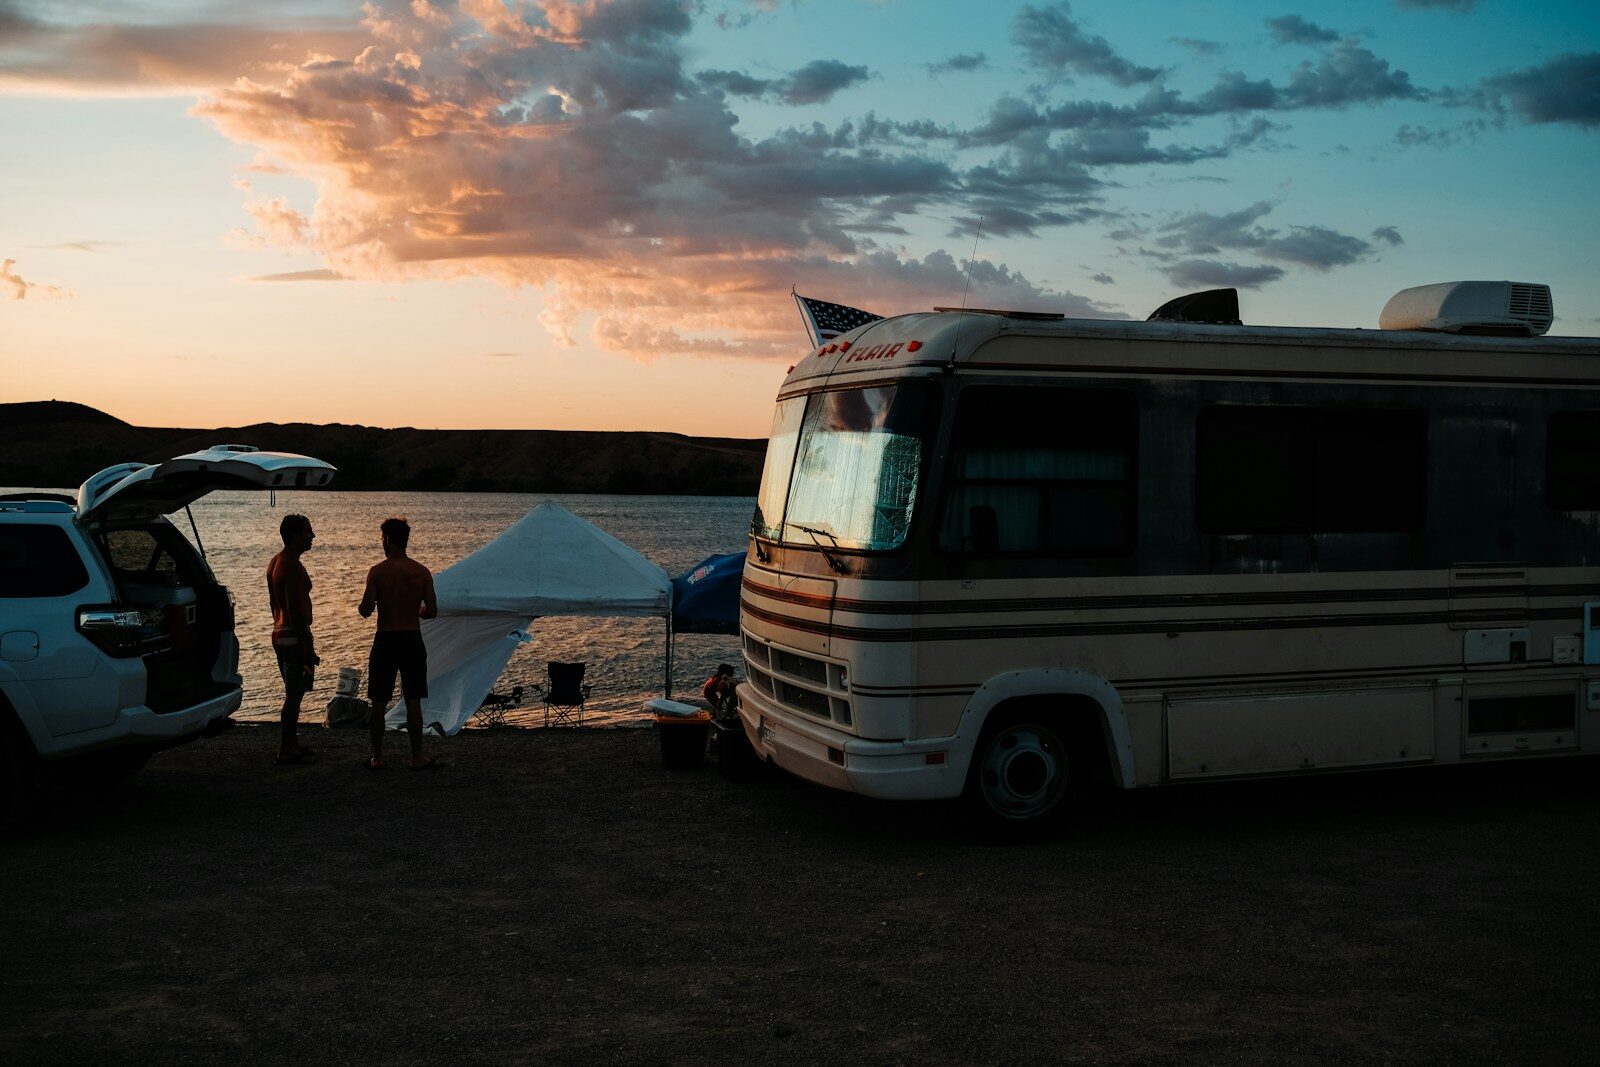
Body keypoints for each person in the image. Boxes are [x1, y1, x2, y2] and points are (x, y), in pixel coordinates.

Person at [359, 517, 441, 770]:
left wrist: (371, 602)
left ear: (389, 540)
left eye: (382, 538)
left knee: (379, 701)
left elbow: (365, 610)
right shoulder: (422, 572)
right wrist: (415, 611)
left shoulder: (378, 572)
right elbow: (432, 611)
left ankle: (378, 756)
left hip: (386, 639)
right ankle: (416, 756)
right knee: (414, 700)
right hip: (411, 638)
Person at [266, 513, 318, 765]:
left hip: (279, 632)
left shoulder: (275, 561)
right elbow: (296, 611)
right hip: (293, 637)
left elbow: (273, 604)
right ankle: (286, 747)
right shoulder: (292, 566)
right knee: (294, 693)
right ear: (296, 536)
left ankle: (292, 743)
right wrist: (307, 646)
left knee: (293, 692)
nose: (313, 536)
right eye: (308, 532)